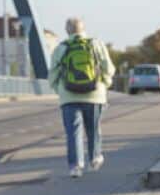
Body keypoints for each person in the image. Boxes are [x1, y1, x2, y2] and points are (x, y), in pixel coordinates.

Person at [48, 17, 115, 178]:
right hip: (94, 95)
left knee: (73, 132)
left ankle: (76, 166)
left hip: (69, 96)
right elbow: (109, 68)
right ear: (83, 29)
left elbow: (53, 75)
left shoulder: (61, 48)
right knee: (93, 129)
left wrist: (61, 90)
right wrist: (104, 84)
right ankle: (95, 158)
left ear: (67, 31)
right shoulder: (95, 44)